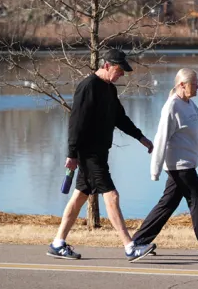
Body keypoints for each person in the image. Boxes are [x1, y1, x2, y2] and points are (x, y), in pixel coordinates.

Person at [47, 49, 156, 262]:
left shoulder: (109, 90)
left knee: (79, 197)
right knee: (112, 195)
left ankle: (58, 243)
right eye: (119, 69)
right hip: (88, 153)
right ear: (106, 65)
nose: (122, 74)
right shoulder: (88, 87)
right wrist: (72, 153)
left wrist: (141, 138)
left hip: (100, 152)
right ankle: (130, 247)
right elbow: (76, 122)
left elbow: (120, 118)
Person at [132, 68, 198, 259]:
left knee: (167, 205)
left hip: (187, 166)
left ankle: (139, 241)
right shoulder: (172, 107)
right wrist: (155, 170)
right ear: (182, 85)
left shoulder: (191, 106)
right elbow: (161, 138)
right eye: (194, 84)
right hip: (179, 167)